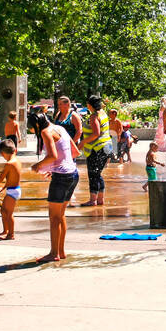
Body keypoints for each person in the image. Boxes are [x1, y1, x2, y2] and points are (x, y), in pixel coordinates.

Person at [33, 117, 80, 261]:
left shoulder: (46, 132)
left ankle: (54, 254)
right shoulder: (60, 128)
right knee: (60, 215)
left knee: (54, 217)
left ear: (36, 124)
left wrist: (38, 165)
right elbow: (75, 152)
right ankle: (60, 251)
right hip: (73, 174)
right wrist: (54, 168)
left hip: (61, 178)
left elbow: (52, 156)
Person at [80, 95, 111, 207]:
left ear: (89, 104)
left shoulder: (94, 116)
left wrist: (82, 142)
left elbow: (96, 133)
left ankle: (92, 200)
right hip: (107, 147)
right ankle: (100, 199)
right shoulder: (103, 113)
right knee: (98, 174)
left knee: (93, 174)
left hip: (97, 149)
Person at [0, 139, 21, 240]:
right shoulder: (17, 161)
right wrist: (2, 189)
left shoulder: (9, 164)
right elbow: (10, 180)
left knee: (8, 213)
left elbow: (1, 178)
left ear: (3, 153)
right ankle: (6, 231)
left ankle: (11, 234)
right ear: (15, 150)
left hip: (13, 191)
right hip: (13, 189)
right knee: (4, 211)